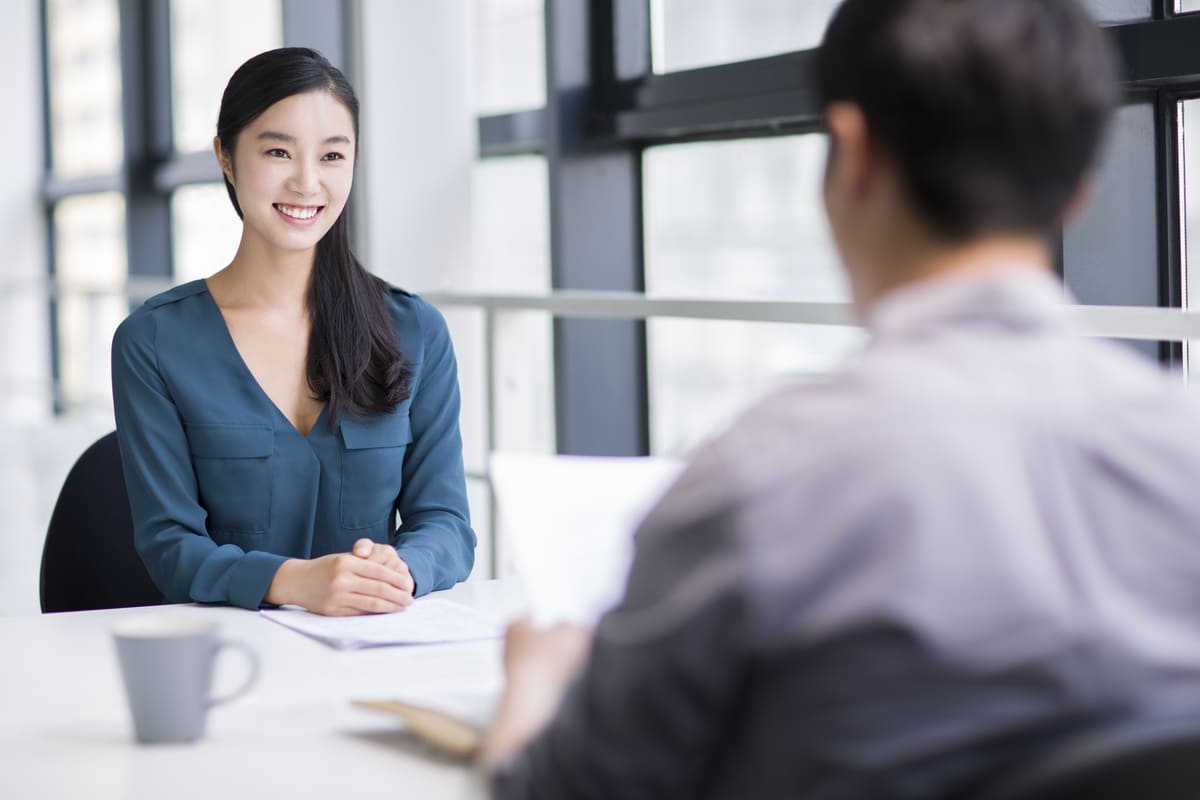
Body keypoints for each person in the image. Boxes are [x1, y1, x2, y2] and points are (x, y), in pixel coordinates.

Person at [482, 1, 1200, 797]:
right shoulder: (1183, 447)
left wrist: (536, 683)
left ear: (853, 155)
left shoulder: (765, 478)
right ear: (1077, 192)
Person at [111, 48, 474, 616]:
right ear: (225, 157)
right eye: (278, 151)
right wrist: (293, 582)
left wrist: (400, 571)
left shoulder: (416, 330)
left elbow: (446, 524)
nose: (307, 182)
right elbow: (170, 547)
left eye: (332, 155)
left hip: (379, 646)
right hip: (230, 659)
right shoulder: (154, 342)